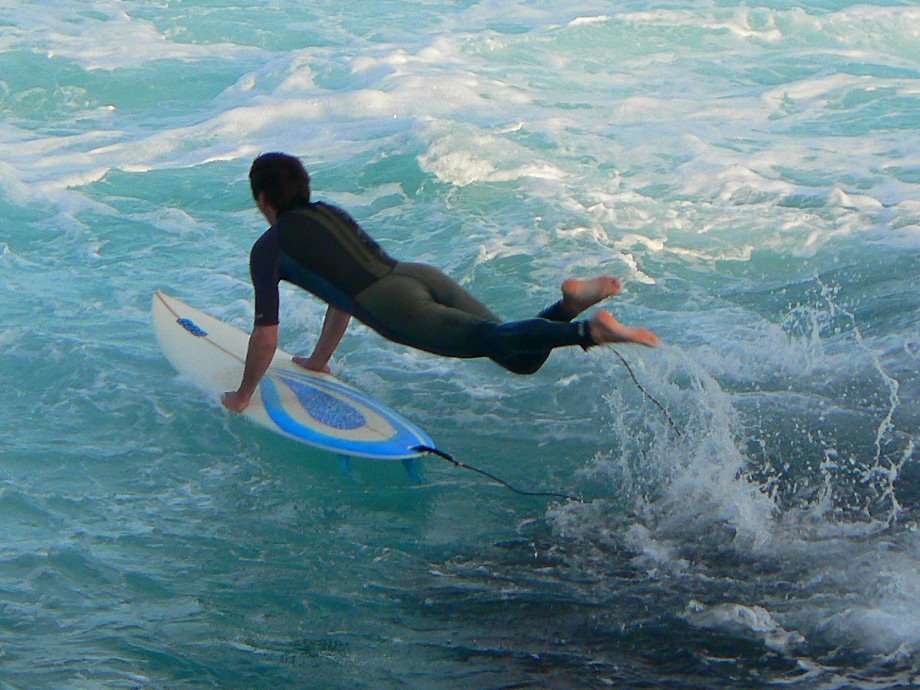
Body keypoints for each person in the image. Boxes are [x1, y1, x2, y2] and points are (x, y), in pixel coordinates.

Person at [222, 152, 659, 413]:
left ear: (262, 199)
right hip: (415, 275)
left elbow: (266, 334)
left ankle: (588, 331)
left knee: (494, 338)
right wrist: (318, 361)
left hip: (396, 306)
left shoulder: (270, 248)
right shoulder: (329, 213)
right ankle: (569, 304)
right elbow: (341, 299)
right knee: (519, 356)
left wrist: (244, 395)